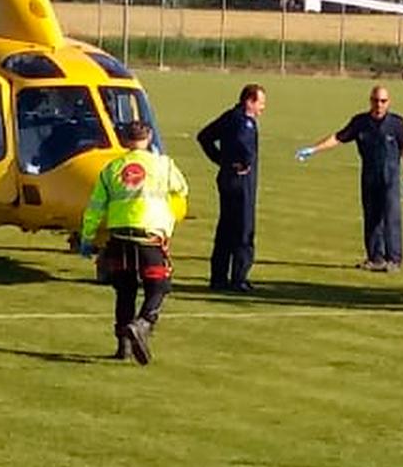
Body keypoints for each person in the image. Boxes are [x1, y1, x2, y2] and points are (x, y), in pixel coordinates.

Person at [78, 120, 188, 366]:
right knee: (159, 286)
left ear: (125, 140)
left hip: (119, 238)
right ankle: (143, 323)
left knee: (125, 292)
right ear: (148, 138)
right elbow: (181, 189)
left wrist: (87, 238)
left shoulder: (112, 168)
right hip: (148, 236)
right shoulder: (163, 165)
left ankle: (123, 348)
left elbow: (95, 207)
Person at [295, 85, 403, 272]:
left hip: (390, 176)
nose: (379, 105)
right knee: (371, 217)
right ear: (370, 101)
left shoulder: (397, 124)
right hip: (369, 175)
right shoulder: (360, 122)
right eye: (375, 100)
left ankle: (394, 259)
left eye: (383, 101)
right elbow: (338, 137)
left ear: (388, 102)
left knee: (391, 217)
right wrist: (314, 149)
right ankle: (376, 258)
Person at [198, 83, 265, 293]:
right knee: (244, 228)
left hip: (227, 178)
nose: (263, 108)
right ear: (250, 101)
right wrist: (238, 163)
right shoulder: (243, 122)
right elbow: (244, 149)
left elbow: (204, 136)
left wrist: (221, 160)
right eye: (261, 103)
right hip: (240, 181)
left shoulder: (229, 116)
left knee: (225, 228)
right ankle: (239, 278)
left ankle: (218, 278)